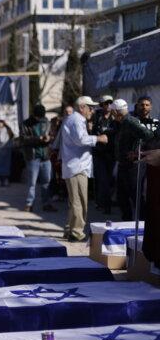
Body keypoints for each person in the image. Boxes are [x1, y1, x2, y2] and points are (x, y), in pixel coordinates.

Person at [60, 96, 108, 241]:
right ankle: (77, 233)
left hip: (76, 166)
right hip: (77, 167)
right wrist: (98, 138)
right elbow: (80, 140)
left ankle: (70, 229)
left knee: (75, 201)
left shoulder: (75, 120)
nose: (92, 111)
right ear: (82, 107)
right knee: (80, 202)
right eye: (90, 107)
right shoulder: (76, 120)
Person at [112, 98, 155, 221]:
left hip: (133, 166)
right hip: (123, 165)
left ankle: (141, 226)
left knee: (136, 197)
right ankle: (127, 223)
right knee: (122, 197)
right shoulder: (121, 122)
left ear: (116, 111)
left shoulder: (130, 121)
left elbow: (148, 135)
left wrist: (138, 152)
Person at [20, 104, 56, 212]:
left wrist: (49, 138)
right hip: (33, 156)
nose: (39, 119)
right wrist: (38, 138)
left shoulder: (47, 122)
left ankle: (47, 204)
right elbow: (23, 139)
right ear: (34, 115)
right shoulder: (26, 124)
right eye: (37, 117)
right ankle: (29, 204)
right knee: (32, 182)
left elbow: (53, 135)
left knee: (47, 181)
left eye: (41, 117)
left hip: (45, 156)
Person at [91, 95, 116, 214]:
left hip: (111, 153)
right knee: (102, 179)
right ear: (101, 105)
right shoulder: (96, 117)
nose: (108, 106)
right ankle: (103, 203)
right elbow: (90, 133)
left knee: (110, 179)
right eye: (106, 103)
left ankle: (107, 201)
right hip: (99, 153)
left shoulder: (115, 117)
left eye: (110, 103)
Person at [0, 120, 14, 187]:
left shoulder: (3, 130)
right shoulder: (7, 129)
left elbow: (2, 140)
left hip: (3, 149)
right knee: (6, 164)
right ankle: (5, 181)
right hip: (7, 149)